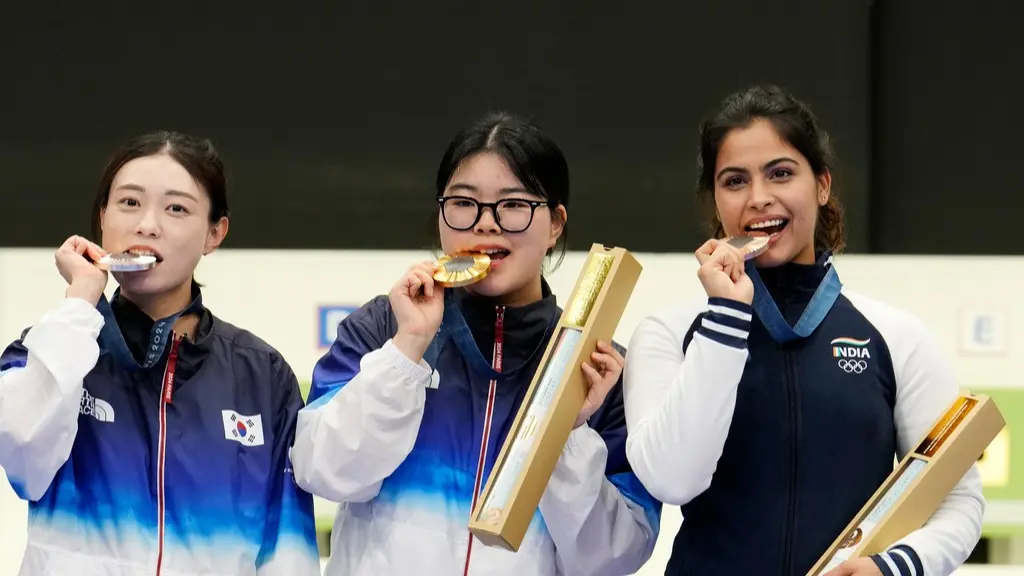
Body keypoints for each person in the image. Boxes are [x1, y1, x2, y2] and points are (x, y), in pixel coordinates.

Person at [622, 85, 984, 576]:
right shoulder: (671, 332)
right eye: (734, 181)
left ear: (822, 186)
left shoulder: (897, 337)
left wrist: (895, 565)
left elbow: (957, 499)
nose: (759, 198)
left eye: (781, 173)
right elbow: (674, 480)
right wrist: (726, 319)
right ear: (716, 200)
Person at [291, 111, 661, 575]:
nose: (485, 224)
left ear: (555, 224)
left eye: (513, 204)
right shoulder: (384, 325)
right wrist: (407, 351)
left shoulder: (594, 366)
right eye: (464, 203)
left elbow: (615, 557)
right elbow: (322, 471)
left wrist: (566, 431)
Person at [0, 131, 321, 575]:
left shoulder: (262, 374)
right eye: (129, 203)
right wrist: (79, 304)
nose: (146, 225)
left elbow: (287, 550)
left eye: (176, 208)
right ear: (102, 217)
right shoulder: (52, 348)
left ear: (215, 233)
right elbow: (22, 461)